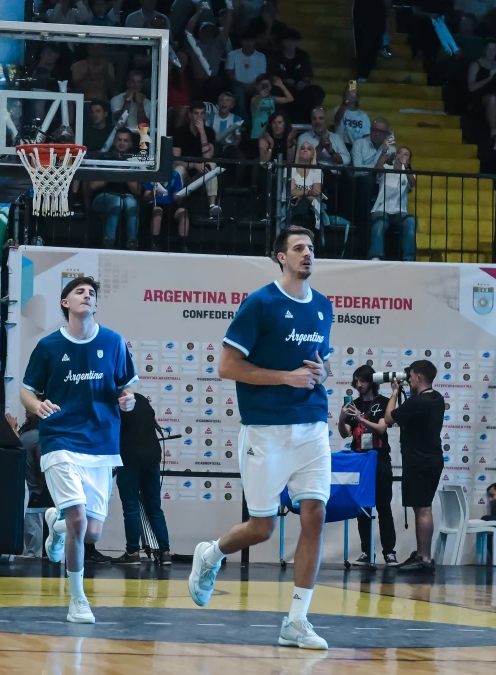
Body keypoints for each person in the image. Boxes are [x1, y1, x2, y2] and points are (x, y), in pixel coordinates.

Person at [189, 226, 334, 650]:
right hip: (265, 430)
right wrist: (284, 378)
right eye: (298, 248)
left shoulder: (323, 307)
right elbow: (227, 367)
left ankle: (297, 620)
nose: (307, 254)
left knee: (315, 515)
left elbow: (321, 364)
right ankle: (211, 554)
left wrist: (322, 373)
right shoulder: (260, 303)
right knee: (262, 529)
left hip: (312, 426)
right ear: (280, 257)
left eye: (311, 248)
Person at [21, 276, 138, 623]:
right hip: (60, 440)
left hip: (101, 444)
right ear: (65, 303)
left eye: (92, 293)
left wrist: (128, 401)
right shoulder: (48, 346)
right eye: (79, 292)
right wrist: (36, 405)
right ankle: (78, 599)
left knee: (92, 531)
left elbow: (127, 387)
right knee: (78, 520)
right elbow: (27, 390)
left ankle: (53, 521)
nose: (87, 296)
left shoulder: (113, 342)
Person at [384, 360, 444, 572]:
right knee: (421, 506)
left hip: (421, 461)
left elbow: (389, 418)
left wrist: (393, 394)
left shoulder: (419, 402)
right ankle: (421, 554)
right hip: (428, 459)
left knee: (423, 507)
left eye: (410, 376)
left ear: (418, 376)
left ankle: (425, 557)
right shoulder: (435, 398)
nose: (407, 379)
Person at [337, 365, 397, 566]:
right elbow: (345, 433)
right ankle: (366, 552)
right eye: (356, 381)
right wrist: (342, 418)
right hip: (360, 462)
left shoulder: (383, 402)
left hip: (379, 459)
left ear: (371, 381)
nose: (359, 385)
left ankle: (389, 552)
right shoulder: (353, 404)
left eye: (362, 381)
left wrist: (360, 419)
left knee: (383, 506)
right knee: (362, 508)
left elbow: (381, 428)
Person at [114, 392, 170, 564]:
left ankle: (133, 552)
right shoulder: (141, 398)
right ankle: (165, 551)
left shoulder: (114, 403)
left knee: (131, 507)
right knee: (154, 507)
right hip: (152, 458)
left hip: (129, 459)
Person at [369, 147, 417, 261]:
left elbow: (413, 184)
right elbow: (377, 170)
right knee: (379, 222)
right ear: (395, 155)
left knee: (411, 221)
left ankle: (409, 258)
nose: (402, 156)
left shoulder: (409, 173)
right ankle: (376, 256)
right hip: (381, 209)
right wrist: (384, 152)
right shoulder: (386, 168)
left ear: (408, 160)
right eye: (399, 153)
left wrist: (406, 167)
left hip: (400, 211)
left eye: (406, 154)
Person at [288, 142, 322, 229]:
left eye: (309, 149)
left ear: (313, 154)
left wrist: (301, 195)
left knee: (304, 205)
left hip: (311, 206)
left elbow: (316, 193)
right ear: (298, 152)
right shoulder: (291, 169)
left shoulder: (317, 171)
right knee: (301, 205)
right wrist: (308, 192)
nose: (305, 150)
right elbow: (291, 192)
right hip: (292, 205)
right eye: (302, 148)